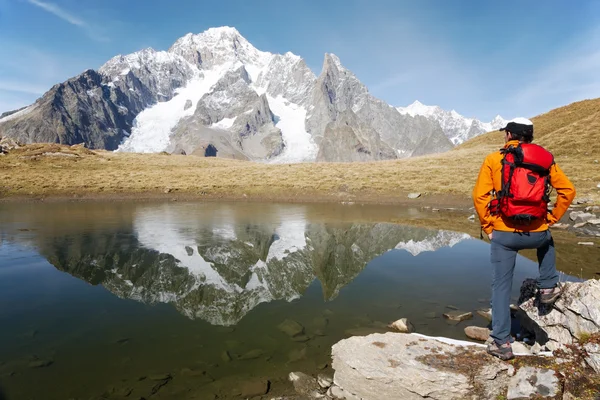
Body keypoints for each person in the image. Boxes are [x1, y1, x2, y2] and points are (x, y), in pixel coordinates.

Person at [472, 117, 576, 360]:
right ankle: (548, 285)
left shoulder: (494, 159)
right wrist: (551, 219)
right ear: (530, 136)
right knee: (547, 242)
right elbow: (568, 190)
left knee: (501, 286)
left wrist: (488, 226)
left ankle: (501, 342)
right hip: (537, 233)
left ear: (509, 135)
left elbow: (480, 197)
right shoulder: (544, 159)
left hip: (504, 234)